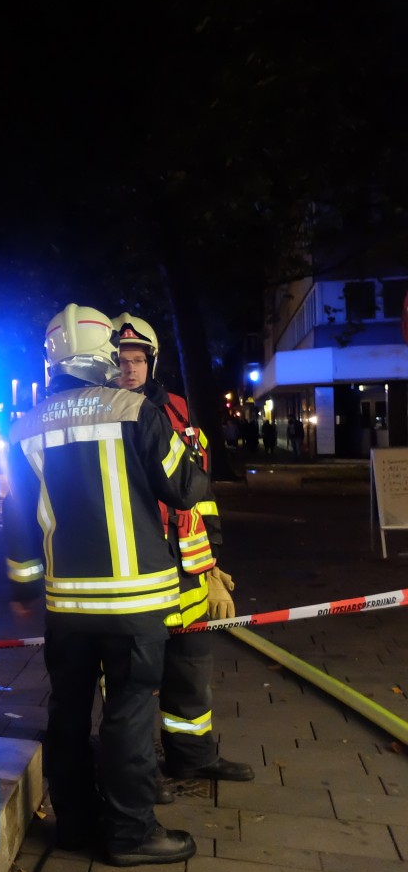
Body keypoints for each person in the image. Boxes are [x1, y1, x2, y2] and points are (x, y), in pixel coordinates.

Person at [4, 304, 210, 867]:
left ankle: (73, 825)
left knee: (67, 712)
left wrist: (24, 590)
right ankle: (130, 833)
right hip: (135, 604)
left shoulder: (25, 426)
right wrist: (188, 439)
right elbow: (187, 488)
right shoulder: (135, 410)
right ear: (105, 355)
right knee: (128, 714)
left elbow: (17, 518)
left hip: (65, 606)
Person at [112, 313, 255, 791]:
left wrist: (213, 563)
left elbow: (202, 490)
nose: (129, 368)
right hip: (136, 566)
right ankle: (134, 772)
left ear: (152, 362)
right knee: (131, 679)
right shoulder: (103, 409)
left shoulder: (177, 411)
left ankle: (191, 756)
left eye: (137, 359)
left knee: (191, 668)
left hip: (188, 568)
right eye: (121, 359)